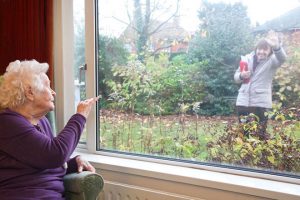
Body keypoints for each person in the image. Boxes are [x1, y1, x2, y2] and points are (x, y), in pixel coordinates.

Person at [0, 60, 99, 199]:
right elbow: (55, 154)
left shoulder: (42, 122)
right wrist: (80, 116)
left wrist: (73, 162)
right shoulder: (7, 123)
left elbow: (46, 161)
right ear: (30, 92)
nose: (54, 92)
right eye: (48, 86)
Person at [234, 32, 287, 140]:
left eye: (265, 49)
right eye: (260, 49)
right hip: (243, 101)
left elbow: (282, 58)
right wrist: (241, 75)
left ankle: (259, 155)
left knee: (260, 132)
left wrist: (277, 47)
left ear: (270, 51)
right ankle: (244, 154)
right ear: (256, 49)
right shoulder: (246, 58)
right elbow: (236, 77)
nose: (261, 52)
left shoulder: (272, 61)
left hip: (260, 103)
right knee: (244, 131)